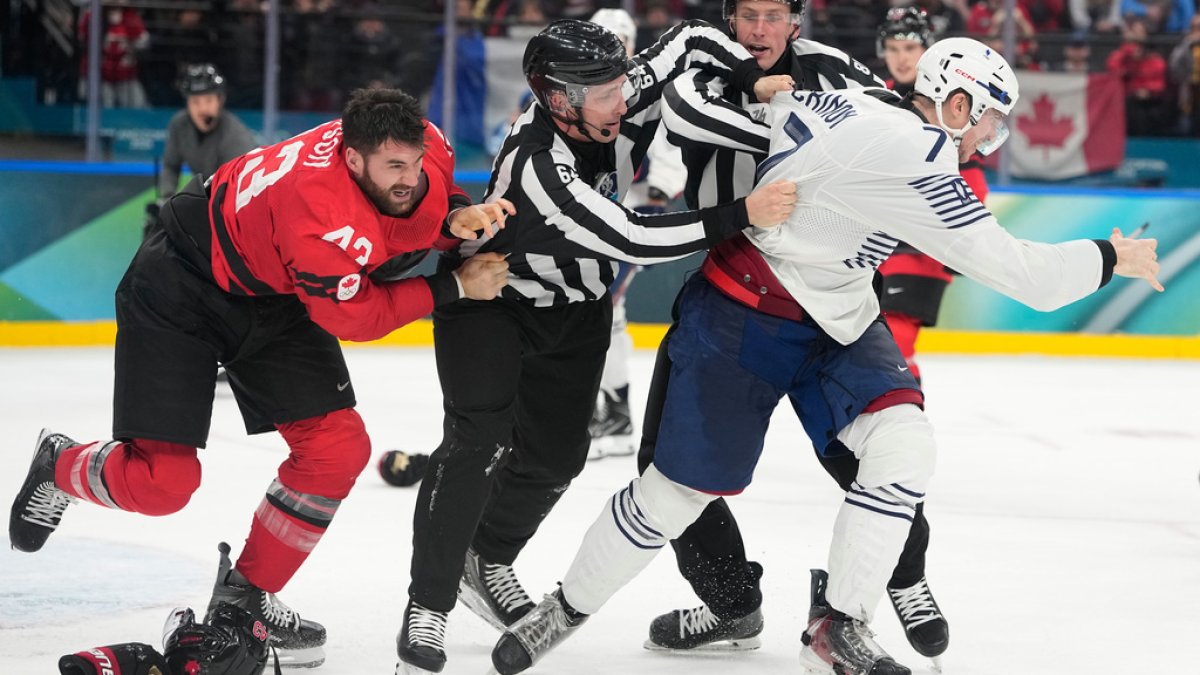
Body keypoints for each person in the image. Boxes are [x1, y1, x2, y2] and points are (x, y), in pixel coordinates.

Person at [490, 36, 1163, 675]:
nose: (992, 138)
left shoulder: (850, 101)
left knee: (904, 444)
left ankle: (837, 625)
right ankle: (565, 607)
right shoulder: (920, 155)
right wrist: (1113, 256)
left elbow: (716, 104)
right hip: (742, 314)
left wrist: (742, 91)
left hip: (838, 313)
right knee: (674, 495)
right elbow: (1029, 278)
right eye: (992, 121)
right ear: (958, 105)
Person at [9, 88, 512, 668]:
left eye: (417, 161)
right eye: (395, 167)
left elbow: (419, 207)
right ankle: (60, 464)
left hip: (271, 286)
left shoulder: (424, 146)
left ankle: (241, 599)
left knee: (338, 449)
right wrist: (452, 284)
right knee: (161, 485)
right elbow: (361, 314)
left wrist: (454, 212)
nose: (412, 175)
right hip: (181, 287)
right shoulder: (321, 215)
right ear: (352, 160)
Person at [397, 18, 797, 675]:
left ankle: (485, 557)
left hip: (577, 309)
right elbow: (633, 237)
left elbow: (694, 36)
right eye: (606, 93)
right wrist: (742, 214)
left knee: (558, 458)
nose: (624, 100)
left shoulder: (607, 94)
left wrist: (751, 79)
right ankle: (428, 605)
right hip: (492, 300)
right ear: (558, 99)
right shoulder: (536, 168)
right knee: (476, 441)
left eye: (620, 86)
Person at [620, 0, 952, 663]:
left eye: (775, 15)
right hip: (730, 297)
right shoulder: (701, 68)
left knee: (872, 454)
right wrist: (764, 106)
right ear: (728, 21)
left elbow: (902, 132)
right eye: (748, 15)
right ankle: (732, 604)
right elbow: (680, 110)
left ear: (795, 22)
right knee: (666, 462)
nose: (761, 30)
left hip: (833, 299)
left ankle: (904, 574)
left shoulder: (832, 69)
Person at [587, 7, 688, 461]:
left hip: (630, 221)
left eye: (618, 40)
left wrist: (655, 202)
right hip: (594, 220)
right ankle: (611, 411)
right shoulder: (581, 91)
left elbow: (671, 153)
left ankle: (611, 412)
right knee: (606, 311)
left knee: (601, 307)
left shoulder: (651, 92)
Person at [145, 63, 257, 240]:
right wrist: (165, 199)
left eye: (208, 101)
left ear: (220, 100)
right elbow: (171, 165)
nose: (202, 109)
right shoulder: (179, 125)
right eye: (195, 102)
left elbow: (238, 190)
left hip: (236, 208)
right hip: (206, 199)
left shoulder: (236, 137)